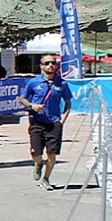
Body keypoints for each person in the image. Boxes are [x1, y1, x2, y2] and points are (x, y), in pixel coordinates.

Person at [18, 54, 72, 191]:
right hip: (37, 122)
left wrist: (62, 120)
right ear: (41, 66)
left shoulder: (62, 83)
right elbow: (22, 98)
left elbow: (68, 103)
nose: (50, 65)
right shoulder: (34, 82)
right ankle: (38, 164)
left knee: (52, 154)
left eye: (53, 63)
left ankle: (46, 179)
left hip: (54, 124)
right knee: (36, 154)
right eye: (47, 63)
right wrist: (31, 106)